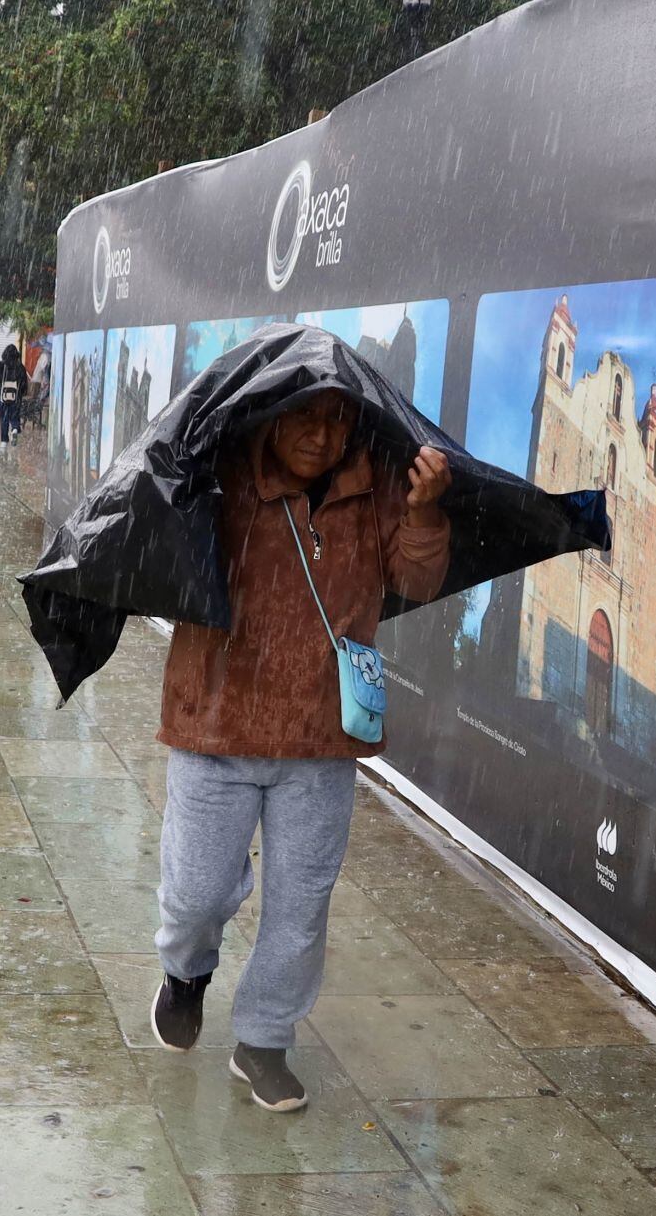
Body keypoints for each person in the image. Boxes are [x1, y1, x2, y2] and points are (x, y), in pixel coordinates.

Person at [150, 389, 452, 1111]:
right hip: (215, 721)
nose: (321, 436)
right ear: (270, 416)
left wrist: (426, 510)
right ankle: (186, 973)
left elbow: (416, 578)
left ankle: (264, 1037)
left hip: (321, 739)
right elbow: (161, 549)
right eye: (304, 417)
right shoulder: (216, 474)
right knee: (196, 892)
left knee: (301, 905)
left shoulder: (376, 489)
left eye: (337, 420)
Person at [0, 344, 29, 447]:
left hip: (2, 396)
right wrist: (21, 394)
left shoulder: (0, 365)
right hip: (16, 396)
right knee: (14, 415)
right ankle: (14, 429)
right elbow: (24, 383)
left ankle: (4, 441)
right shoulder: (20, 367)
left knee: (4, 417)